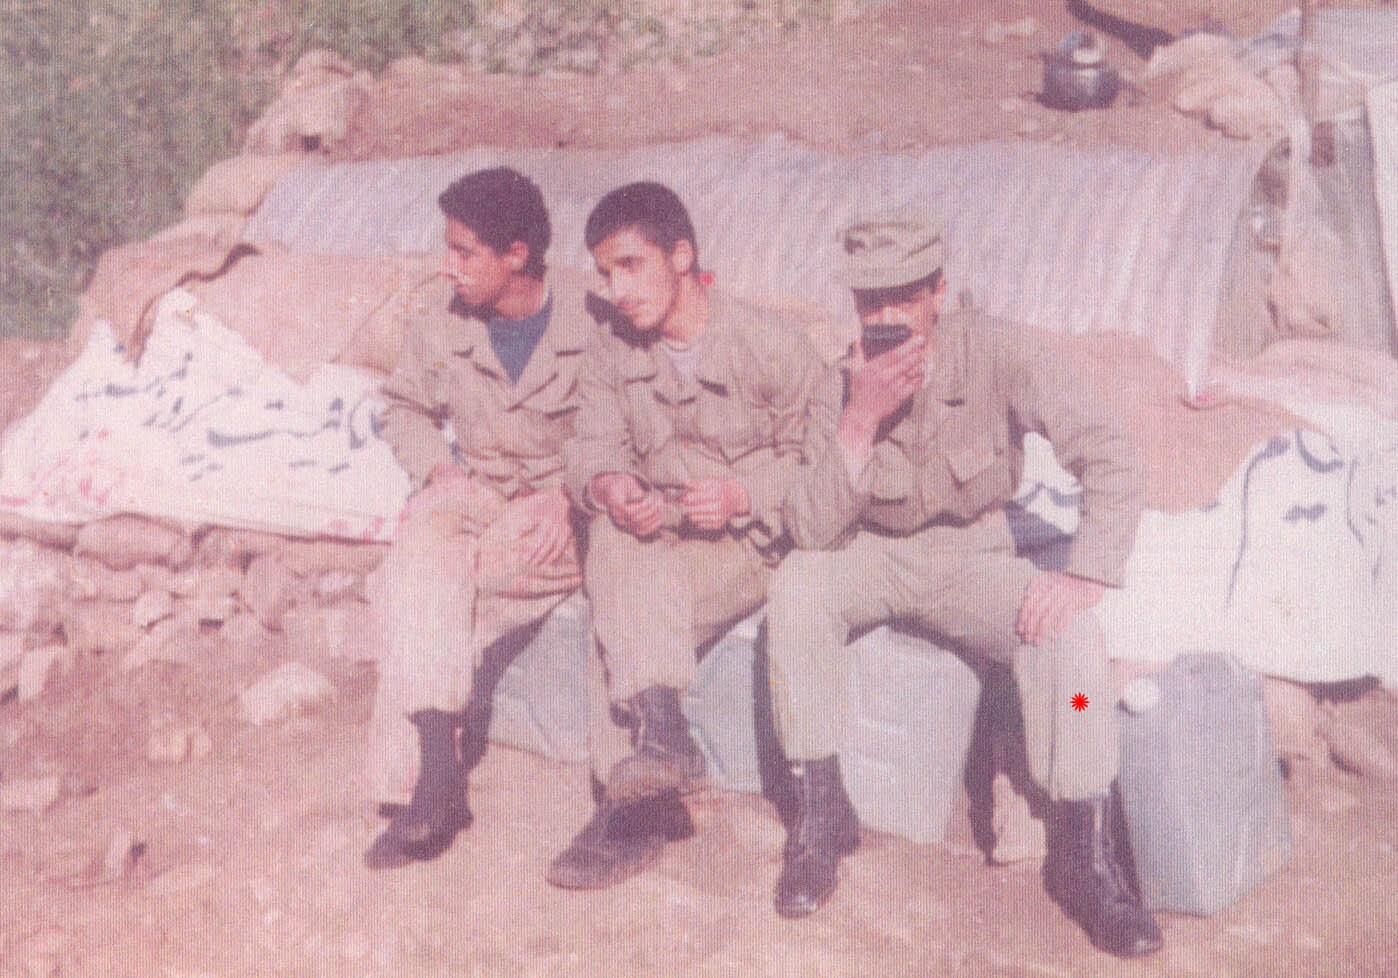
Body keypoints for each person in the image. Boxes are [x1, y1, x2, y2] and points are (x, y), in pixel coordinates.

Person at [763, 217, 1163, 958]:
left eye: (904, 298)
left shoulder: (999, 351)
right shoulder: (839, 377)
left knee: (1073, 650)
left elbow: (1108, 450)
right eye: (869, 301)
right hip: (873, 552)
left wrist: (1086, 572)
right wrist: (859, 417)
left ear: (938, 292)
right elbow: (812, 529)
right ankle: (820, 813)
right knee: (795, 591)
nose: (885, 318)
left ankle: (1084, 851)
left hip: (972, 556)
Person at [547, 181, 826, 890]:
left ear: (681, 255)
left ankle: (630, 812)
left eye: (631, 265)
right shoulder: (612, 350)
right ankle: (664, 736)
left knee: (619, 623)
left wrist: (741, 494)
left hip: (751, 543)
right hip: (661, 535)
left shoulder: (771, 345)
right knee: (611, 540)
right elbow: (589, 444)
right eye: (605, 273)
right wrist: (611, 485)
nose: (617, 290)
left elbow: (823, 465)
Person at [364, 166, 595, 869]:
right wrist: (439, 469)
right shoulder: (443, 319)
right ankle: (438, 767)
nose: (449, 266)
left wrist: (571, 493)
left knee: (410, 589)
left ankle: (419, 786)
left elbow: (635, 427)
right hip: (481, 488)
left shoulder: (594, 321)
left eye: (465, 252)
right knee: (423, 542)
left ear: (515, 255)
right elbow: (403, 406)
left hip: (561, 507)